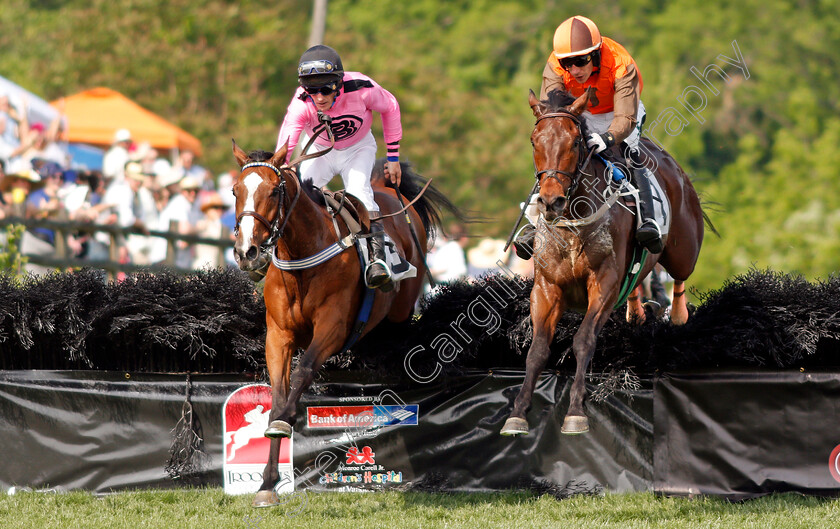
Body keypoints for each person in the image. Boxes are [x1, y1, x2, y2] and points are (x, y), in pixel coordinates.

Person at [515, 15, 663, 259]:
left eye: (580, 61)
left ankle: (648, 220)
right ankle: (533, 224)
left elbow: (625, 117)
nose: (573, 69)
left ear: (595, 54)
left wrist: (607, 138)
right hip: (579, 112)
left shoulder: (621, 63)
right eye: (567, 63)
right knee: (554, 150)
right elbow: (553, 111)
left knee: (628, 151)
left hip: (619, 111)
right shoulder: (554, 64)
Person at [275, 44, 403, 290]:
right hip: (319, 150)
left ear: (339, 83)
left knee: (359, 192)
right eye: (313, 90)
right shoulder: (302, 102)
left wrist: (393, 157)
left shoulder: (363, 88)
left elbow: (391, 107)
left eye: (326, 89)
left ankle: (378, 258)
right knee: (296, 194)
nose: (319, 97)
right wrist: (282, 167)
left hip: (358, 148)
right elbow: (287, 141)